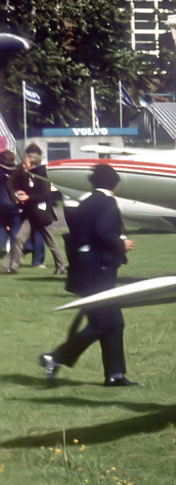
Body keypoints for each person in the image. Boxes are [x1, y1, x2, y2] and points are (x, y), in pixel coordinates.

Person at [40, 163, 137, 387]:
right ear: (115, 183)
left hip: (83, 270)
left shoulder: (86, 203)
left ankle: (115, 375)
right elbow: (104, 232)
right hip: (99, 271)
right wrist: (123, 244)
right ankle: (55, 357)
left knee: (111, 322)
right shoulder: (107, 203)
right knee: (106, 323)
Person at [7, 144, 65, 275]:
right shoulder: (28, 173)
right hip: (31, 214)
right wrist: (22, 194)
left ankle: (60, 267)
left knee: (51, 242)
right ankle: (13, 267)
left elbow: (45, 195)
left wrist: (28, 196)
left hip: (42, 214)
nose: (23, 164)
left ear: (32, 162)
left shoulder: (42, 175)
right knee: (19, 239)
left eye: (26, 162)